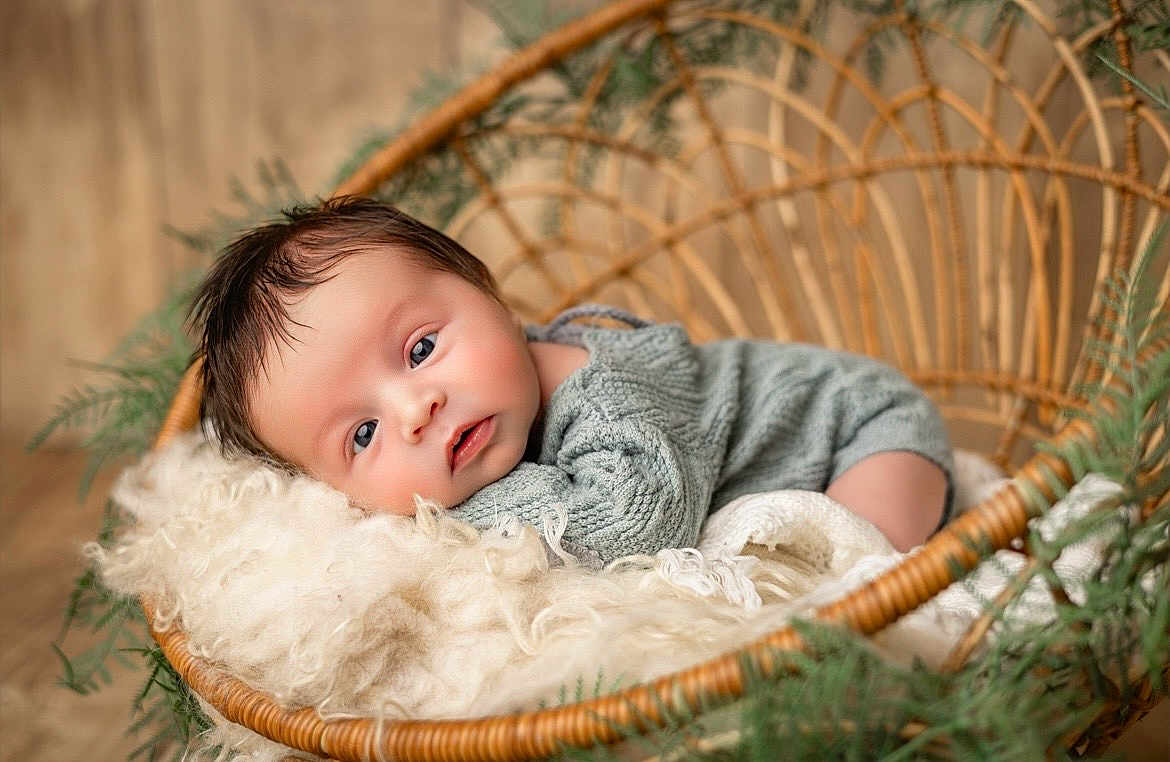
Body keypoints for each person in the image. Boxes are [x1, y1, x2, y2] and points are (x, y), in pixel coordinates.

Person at [191, 196, 952, 567]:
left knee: (858, 579)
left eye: (421, 349)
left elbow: (635, 526)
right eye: (363, 435)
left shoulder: (605, 386)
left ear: (490, 292)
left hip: (859, 433)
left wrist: (460, 514)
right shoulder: (484, 416)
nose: (415, 409)